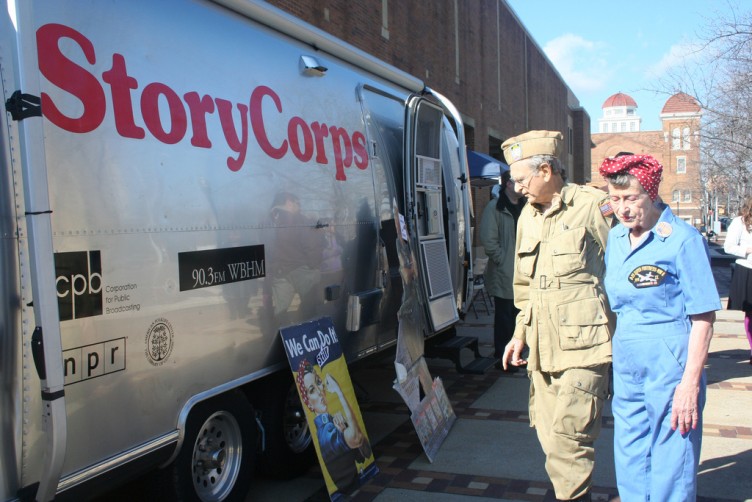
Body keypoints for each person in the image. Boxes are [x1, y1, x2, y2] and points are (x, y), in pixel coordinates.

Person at [599, 154, 721, 501]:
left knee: (672, 451)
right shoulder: (618, 240)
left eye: (630, 198)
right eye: (614, 199)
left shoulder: (682, 240)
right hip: (627, 357)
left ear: (650, 193)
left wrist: (689, 383)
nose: (621, 209)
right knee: (629, 445)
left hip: (671, 359)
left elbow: (703, 317)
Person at [500, 130, 614, 502]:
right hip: (542, 349)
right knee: (551, 440)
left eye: (521, 179)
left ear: (546, 170)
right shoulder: (527, 218)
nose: (517, 189)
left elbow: (631, 261)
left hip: (586, 348)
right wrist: (519, 333)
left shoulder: (593, 206)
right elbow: (525, 287)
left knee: (570, 440)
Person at [296, 359, 372, 494]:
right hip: (350, 490)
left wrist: (344, 430)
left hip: (357, 484)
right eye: (312, 390)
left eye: (319, 382)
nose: (320, 391)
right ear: (308, 404)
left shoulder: (332, 421)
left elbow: (366, 452)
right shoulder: (325, 432)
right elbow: (357, 438)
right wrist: (339, 392)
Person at [479, 169, 525, 367]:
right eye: (520, 181)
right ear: (508, 183)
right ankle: (503, 356)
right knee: (505, 319)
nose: (524, 186)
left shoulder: (528, 207)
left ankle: (519, 354)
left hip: (525, 272)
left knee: (522, 317)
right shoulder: (494, 208)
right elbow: (489, 241)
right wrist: (503, 261)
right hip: (504, 273)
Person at [723, 197, 752, 365]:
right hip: (747, 269)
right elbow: (729, 246)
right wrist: (747, 249)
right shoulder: (739, 222)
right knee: (750, 313)